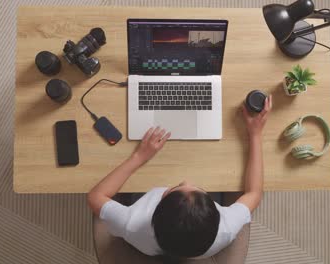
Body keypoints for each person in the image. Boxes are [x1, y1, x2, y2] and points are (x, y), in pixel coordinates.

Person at [88, 96, 273, 260]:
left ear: (157, 205)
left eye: (175, 188)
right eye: (199, 190)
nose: (186, 181)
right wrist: (255, 134)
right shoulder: (227, 229)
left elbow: (95, 197)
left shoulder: (132, 223)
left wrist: (139, 157)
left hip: (149, 247)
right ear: (217, 217)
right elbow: (254, 193)